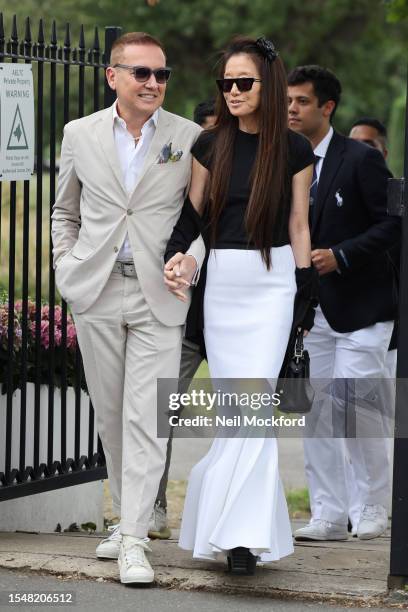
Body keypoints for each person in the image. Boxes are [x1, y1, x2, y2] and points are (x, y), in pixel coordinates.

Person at [51, 32, 204, 585]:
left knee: (148, 417)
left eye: (162, 75)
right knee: (111, 413)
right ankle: (127, 518)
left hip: (160, 294)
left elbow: (200, 222)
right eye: (142, 73)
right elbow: (64, 211)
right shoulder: (79, 133)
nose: (154, 84)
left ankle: (134, 537)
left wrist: (190, 260)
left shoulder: (189, 137)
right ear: (112, 76)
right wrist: (65, 267)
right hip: (94, 289)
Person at [163, 35, 315, 574]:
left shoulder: (295, 150)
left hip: (274, 284)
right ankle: (236, 533)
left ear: (267, 84)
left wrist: (304, 290)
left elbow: (299, 224)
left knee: (254, 407)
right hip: (223, 284)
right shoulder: (210, 146)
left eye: (243, 82)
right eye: (225, 83)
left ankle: (241, 538)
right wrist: (177, 255)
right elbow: (194, 217)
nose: (231, 91)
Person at [287, 65, 400, 542]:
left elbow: (393, 224)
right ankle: (328, 514)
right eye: (287, 100)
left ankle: (372, 505)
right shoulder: (282, 159)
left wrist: (343, 255)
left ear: (327, 107)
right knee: (318, 415)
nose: (291, 108)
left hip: (363, 310)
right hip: (312, 316)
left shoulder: (361, 159)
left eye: (301, 102)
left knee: (358, 407)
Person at [149, 98, 216, 540]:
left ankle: (224, 514)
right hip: (185, 316)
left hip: (238, 312)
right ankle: (152, 506)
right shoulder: (180, 185)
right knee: (161, 411)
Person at [347, 116, 397, 534]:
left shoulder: (388, 196)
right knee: (340, 409)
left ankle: (375, 502)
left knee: (368, 411)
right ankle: (347, 506)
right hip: (336, 313)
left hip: (379, 318)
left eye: (370, 145)